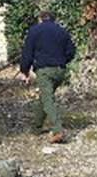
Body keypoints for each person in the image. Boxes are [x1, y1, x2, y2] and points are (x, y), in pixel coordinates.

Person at [20, 11, 76, 143]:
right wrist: (62, 61)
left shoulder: (35, 31)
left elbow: (27, 53)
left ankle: (58, 130)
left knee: (47, 99)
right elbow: (71, 51)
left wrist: (24, 71)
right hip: (60, 71)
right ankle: (36, 127)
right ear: (53, 19)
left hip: (44, 70)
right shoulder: (63, 31)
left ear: (40, 19)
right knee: (45, 97)